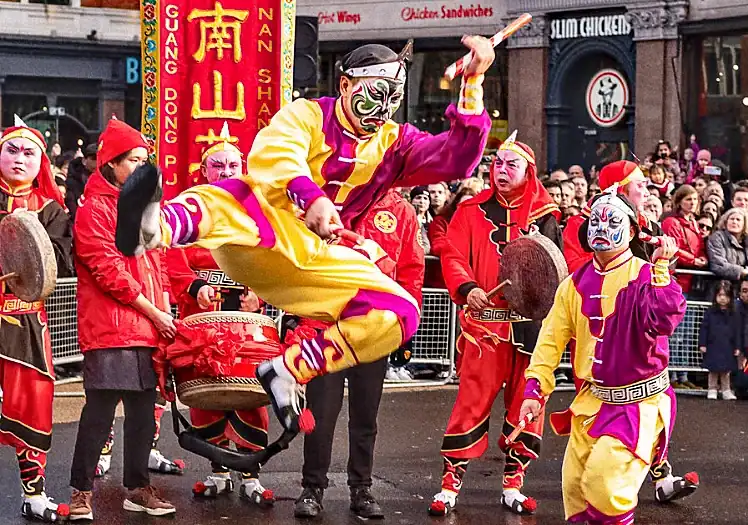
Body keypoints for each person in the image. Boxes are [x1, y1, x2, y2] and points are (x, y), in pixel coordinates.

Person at [115, 39, 495, 434]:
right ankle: (152, 227)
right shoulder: (308, 115)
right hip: (261, 234)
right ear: (346, 85)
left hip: (317, 258)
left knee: (400, 312)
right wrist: (310, 199)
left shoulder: (395, 142)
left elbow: (458, 158)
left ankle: (290, 369)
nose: (383, 109)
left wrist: (474, 81)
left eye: (394, 98)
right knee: (233, 194)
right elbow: (277, 157)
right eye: (377, 94)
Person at [520, 192, 688, 525]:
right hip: (591, 403)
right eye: (596, 220)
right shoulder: (573, 284)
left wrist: (661, 269)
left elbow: (665, 319)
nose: (602, 227)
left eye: (613, 221)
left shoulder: (645, 275)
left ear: (631, 231)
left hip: (639, 405)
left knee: (604, 487)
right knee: (574, 488)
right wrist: (534, 389)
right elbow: (550, 341)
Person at [429, 134, 561, 516]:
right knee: (470, 403)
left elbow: (556, 274)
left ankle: (513, 485)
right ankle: (449, 486)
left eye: (511, 165)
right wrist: (467, 287)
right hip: (485, 329)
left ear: (528, 173)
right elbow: (452, 255)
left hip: (531, 331)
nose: (502, 170)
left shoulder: (545, 218)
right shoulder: (470, 210)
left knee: (526, 405)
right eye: (498, 163)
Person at [559, 160, 700, 504]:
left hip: (641, 330)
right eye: (640, 185)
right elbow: (585, 273)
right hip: (600, 336)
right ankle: (601, 478)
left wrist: (660, 263)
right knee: (600, 421)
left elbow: (663, 287)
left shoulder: (645, 225)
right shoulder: (585, 224)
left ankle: (657, 475)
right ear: (619, 189)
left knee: (649, 405)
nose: (647, 191)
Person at [158, 124, 275, 505]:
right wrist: (194, 286)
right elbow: (172, 256)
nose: (225, 173)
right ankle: (218, 472)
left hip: (245, 317)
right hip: (203, 315)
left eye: (231, 165)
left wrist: (259, 290)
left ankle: (250, 473)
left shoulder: (256, 209)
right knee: (205, 392)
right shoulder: (190, 208)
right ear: (205, 171)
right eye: (217, 166)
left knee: (250, 394)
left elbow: (272, 256)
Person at [69, 118, 177, 520]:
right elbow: (107, 269)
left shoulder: (143, 204)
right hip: (112, 327)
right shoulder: (93, 207)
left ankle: (137, 486)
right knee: (98, 413)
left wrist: (164, 308)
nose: (140, 167)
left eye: (145, 160)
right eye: (133, 159)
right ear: (110, 163)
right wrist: (155, 311)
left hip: (148, 327)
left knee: (142, 414)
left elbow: (158, 263)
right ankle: (81, 492)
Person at [293, 188, 425, 519]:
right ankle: (312, 487)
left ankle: (361, 488)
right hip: (328, 326)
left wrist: (406, 323)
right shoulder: (328, 199)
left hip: (375, 327)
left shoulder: (401, 210)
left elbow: (411, 269)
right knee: (321, 413)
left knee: (365, 415)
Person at [0, 117, 73, 523]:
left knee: (33, 407)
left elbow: (59, 263)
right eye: (12, 149)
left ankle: (34, 493)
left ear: (40, 161)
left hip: (27, 323)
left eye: (29, 153)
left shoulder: (51, 211)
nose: (19, 158)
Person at [700, 280, 741, 400]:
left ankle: (726, 390)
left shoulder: (734, 314)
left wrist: (737, 346)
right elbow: (704, 328)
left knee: (726, 370)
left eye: (725, 295)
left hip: (728, 345)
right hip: (713, 344)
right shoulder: (710, 312)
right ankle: (712, 388)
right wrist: (702, 343)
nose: (722, 298)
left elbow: (737, 331)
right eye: (720, 295)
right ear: (715, 296)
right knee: (713, 370)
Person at [662, 185, 707, 294]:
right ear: (679, 202)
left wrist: (703, 257)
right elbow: (674, 249)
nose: (693, 203)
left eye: (695, 199)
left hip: (693, 280)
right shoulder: (671, 222)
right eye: (688, 199)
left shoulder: (694, 223)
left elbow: (700, 247)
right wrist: (693, 260)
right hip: (677, 279)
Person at [707, 207, 748, 284]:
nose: (734, 222)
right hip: (721, 286)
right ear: (725, 222)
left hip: (745, 287)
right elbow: (718, 265)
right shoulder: (717, 238)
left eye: (738, 220)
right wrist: (742, 271)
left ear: (744, 224)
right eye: (731, 219)